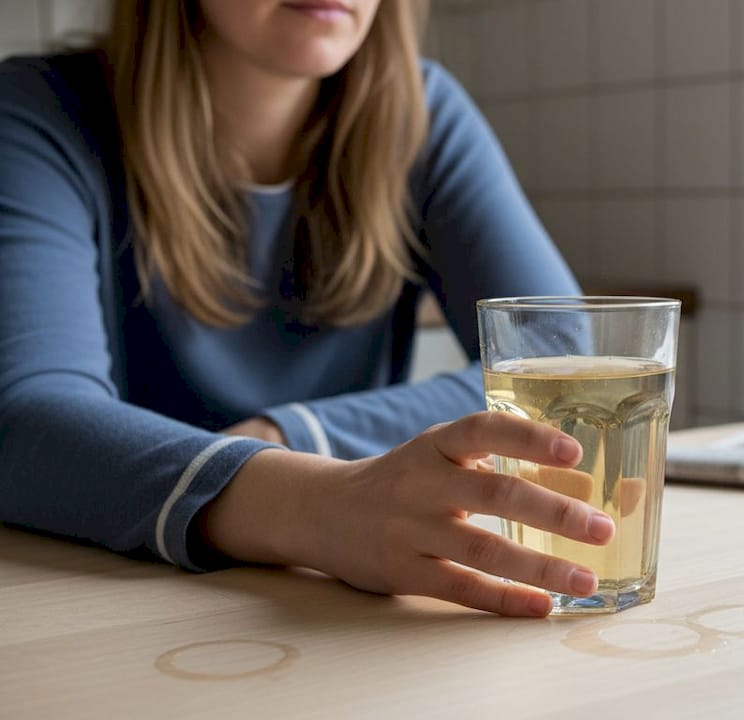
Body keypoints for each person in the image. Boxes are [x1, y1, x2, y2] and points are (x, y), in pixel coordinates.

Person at [0, 0, 614, 617]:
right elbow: (26, 416)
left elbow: (561, 361)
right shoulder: (36, 109)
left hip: (336, 607)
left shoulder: (421, 111)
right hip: (110, 603)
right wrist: (317, 503)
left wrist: (286, 435)